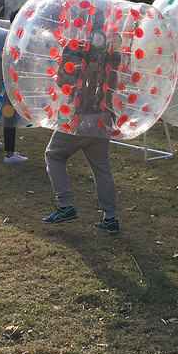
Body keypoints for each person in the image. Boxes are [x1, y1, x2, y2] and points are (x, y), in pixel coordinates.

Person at [41, 22, 119, 234]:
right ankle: (110, 218)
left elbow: (62, 80)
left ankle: (64, 205)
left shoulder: (74, 48)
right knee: (101, 168)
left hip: (79, 116)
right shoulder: (112, 53)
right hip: (103, 118)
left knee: (53, 155)